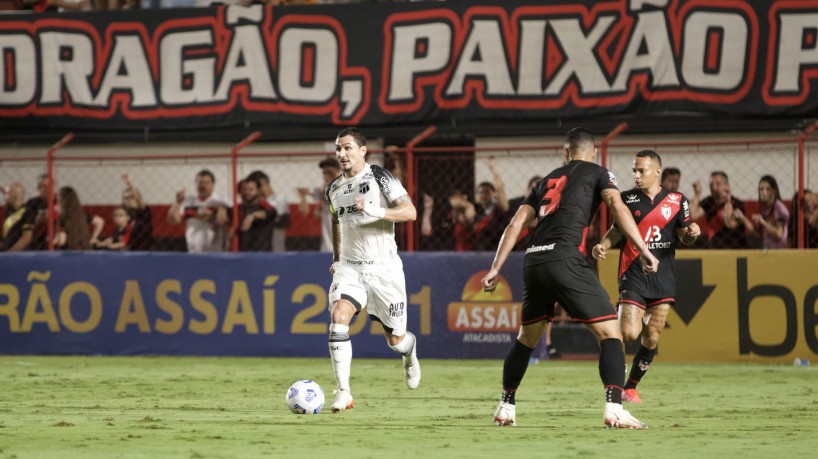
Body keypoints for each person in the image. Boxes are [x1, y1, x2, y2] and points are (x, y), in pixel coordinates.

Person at [481, 127, 659, 429]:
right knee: (611, 334)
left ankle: (505, 405)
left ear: (566, 153)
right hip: (566, 258)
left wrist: (495, 268)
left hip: (534, 258)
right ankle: (615, 408)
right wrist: (642, 248)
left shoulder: (546, 180)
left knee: (527, 338)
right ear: (592, 152)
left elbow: (516, 222)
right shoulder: (600, 172)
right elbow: (617, 205)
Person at [591, 149, 700, 404]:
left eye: (642, 171)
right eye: (634, 171)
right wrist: (604, 245)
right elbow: (617, 231)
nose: (637, 176)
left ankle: (630, 388)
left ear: (657, 171)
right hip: (633, 272)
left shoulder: (677, 200)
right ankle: (617, 362)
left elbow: (683, 236)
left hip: (663, 276)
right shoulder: (626, 199)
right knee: (629, 333)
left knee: (652, 336)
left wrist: (692, 233)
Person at [325, 127, 421, 413]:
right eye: (338, 148)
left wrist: (376, 211)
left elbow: (410, 212)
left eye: (347, 147)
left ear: (362, 150)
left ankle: (409, 354)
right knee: (339, 316)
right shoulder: (333, 189)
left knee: (396, 341)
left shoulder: (380, 176)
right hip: (350, 269)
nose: (342, 153)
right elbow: (336, 222)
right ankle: (344, 392)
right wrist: (337, 258)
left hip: (384, 269)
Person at [166, 169, 229, 252]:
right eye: (200, 182)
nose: (202, 185)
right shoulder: (188, 202)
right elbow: (172, 220)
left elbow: (224, 222)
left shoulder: (221, 202)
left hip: (216, 252)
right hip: (193, 252)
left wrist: (211, 216)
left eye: (206, 182)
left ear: (213, 184)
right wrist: (177, 203)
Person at [690, 171, 747, 248]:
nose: (714, 187)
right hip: (714, 248)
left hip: (735, 248)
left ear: (726, 185)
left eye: (718, 184)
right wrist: (697, 194)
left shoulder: (736, 203)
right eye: (711, 184)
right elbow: (693, 215)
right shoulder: (709, 201)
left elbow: (730, 224)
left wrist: (727, 199)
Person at [298, 156, 341, 252]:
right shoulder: (323, 189)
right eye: (324, 173)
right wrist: (303, 198)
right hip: (328, 244)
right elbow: (304, 191)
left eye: (329, 172)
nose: (326, 176)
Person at [735, 175, 789, 249]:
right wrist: (743, 218)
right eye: (761, 189)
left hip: (779, 251)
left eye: (767, 189)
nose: (763, 192)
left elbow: (778, 233)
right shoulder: (765, 209)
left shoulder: (779, 207)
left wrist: (763, 222)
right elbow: (758, 234)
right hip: (766, 249)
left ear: (774, 190)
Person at [247, 170, 290, 252]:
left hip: (276, 247)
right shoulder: (255, 202)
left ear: (263, 183)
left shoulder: (279, 199)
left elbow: (285, 222)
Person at [474, 156, 510, 250]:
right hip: (480, 250)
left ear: (494, 194)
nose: (483, 195)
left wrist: (493, 169)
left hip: (498, 248)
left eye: (487, 192)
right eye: (481, 192)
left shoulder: (499, 208)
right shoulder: (476, 210)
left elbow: (500, 189)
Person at [55, 186, 104, 250]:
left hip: (69, 251)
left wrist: (53, 241)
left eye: (59, 199)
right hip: (84, 248)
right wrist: (93, 238)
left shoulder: (64, 217)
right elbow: (99, 221)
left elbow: (61, 240)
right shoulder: (80, 214)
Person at [237, 176, 277, 252]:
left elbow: (270, 213)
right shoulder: (238, 209)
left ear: (258, 191)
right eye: (244, 189)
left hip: (262, 255)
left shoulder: (265, 207)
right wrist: (221, 209)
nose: (247, 192)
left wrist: (252, 216)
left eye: (251, 189)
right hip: (242, 255)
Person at [121, 174, 153, 251]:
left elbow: (138, 197)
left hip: (143, 250)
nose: (128, 200)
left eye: (131, 197)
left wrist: (129, 183)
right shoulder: (128, 216)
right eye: (126, 198)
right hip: (130, 250)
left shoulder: (144, 212)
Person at [0, 182, 35, 251]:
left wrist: (10, 254)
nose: (5, 196)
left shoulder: (27, 212)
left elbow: (27, 237)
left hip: (17, 255)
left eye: (7, 193)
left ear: (16, 196)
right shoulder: (5, 211)